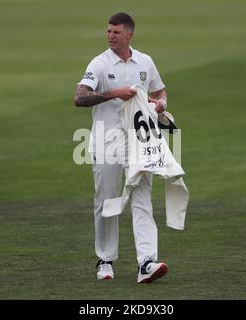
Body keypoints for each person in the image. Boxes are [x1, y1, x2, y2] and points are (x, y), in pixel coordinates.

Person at [74, 12, 169, 283]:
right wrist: (114, 92)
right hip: (107, 142)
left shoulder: (145, 62)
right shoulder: (100, 64)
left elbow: (160, 92)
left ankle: (146, 263)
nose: (110, 36)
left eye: (116, 32)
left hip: (139, 142)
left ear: (130, 35)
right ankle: (105, 260)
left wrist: (160, 104)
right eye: (108, 31)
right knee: (107, 199)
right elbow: (79, 98)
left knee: (142, 199)